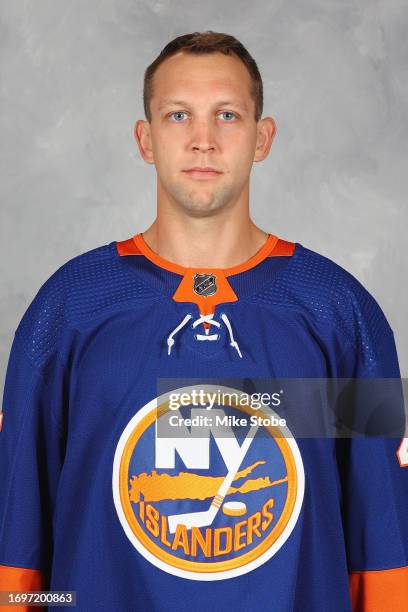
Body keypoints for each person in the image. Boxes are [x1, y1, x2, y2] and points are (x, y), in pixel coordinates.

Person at [0, 30, 407, 612]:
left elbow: (384, 543)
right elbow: (19, 544)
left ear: (262, 138)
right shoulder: (69, 309)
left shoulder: (340, 312)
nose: (203, 141)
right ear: (145, 139)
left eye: (227, 115)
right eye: (177, 115)